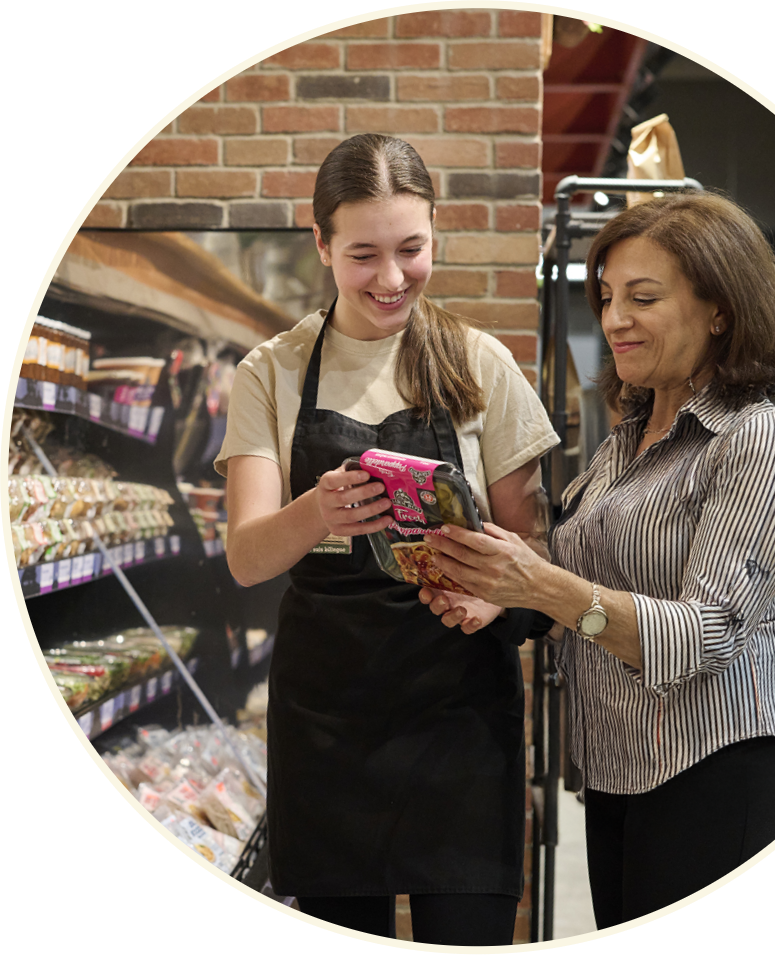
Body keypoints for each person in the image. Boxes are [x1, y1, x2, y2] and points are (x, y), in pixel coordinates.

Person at [422, 192, 775, 929]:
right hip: (621, 764)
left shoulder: (755, 442)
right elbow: (583, 576)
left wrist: (542, 583)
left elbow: (706, 633)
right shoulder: (626, 438)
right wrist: (503, 595)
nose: (612, 320)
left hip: (719, 761)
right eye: (605, 297)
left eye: (643, 297)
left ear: (720, 309)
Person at [215, 133, 559, 945]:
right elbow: (246, 556)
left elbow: (540, 558)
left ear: (437, 232)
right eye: (364, 254)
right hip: (327, 725)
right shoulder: (272, 370)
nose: (392, 278)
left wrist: (491, 597)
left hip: (458, 718)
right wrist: (316, 513)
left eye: (412, 249)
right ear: (321, 243)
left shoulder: (479, 364)